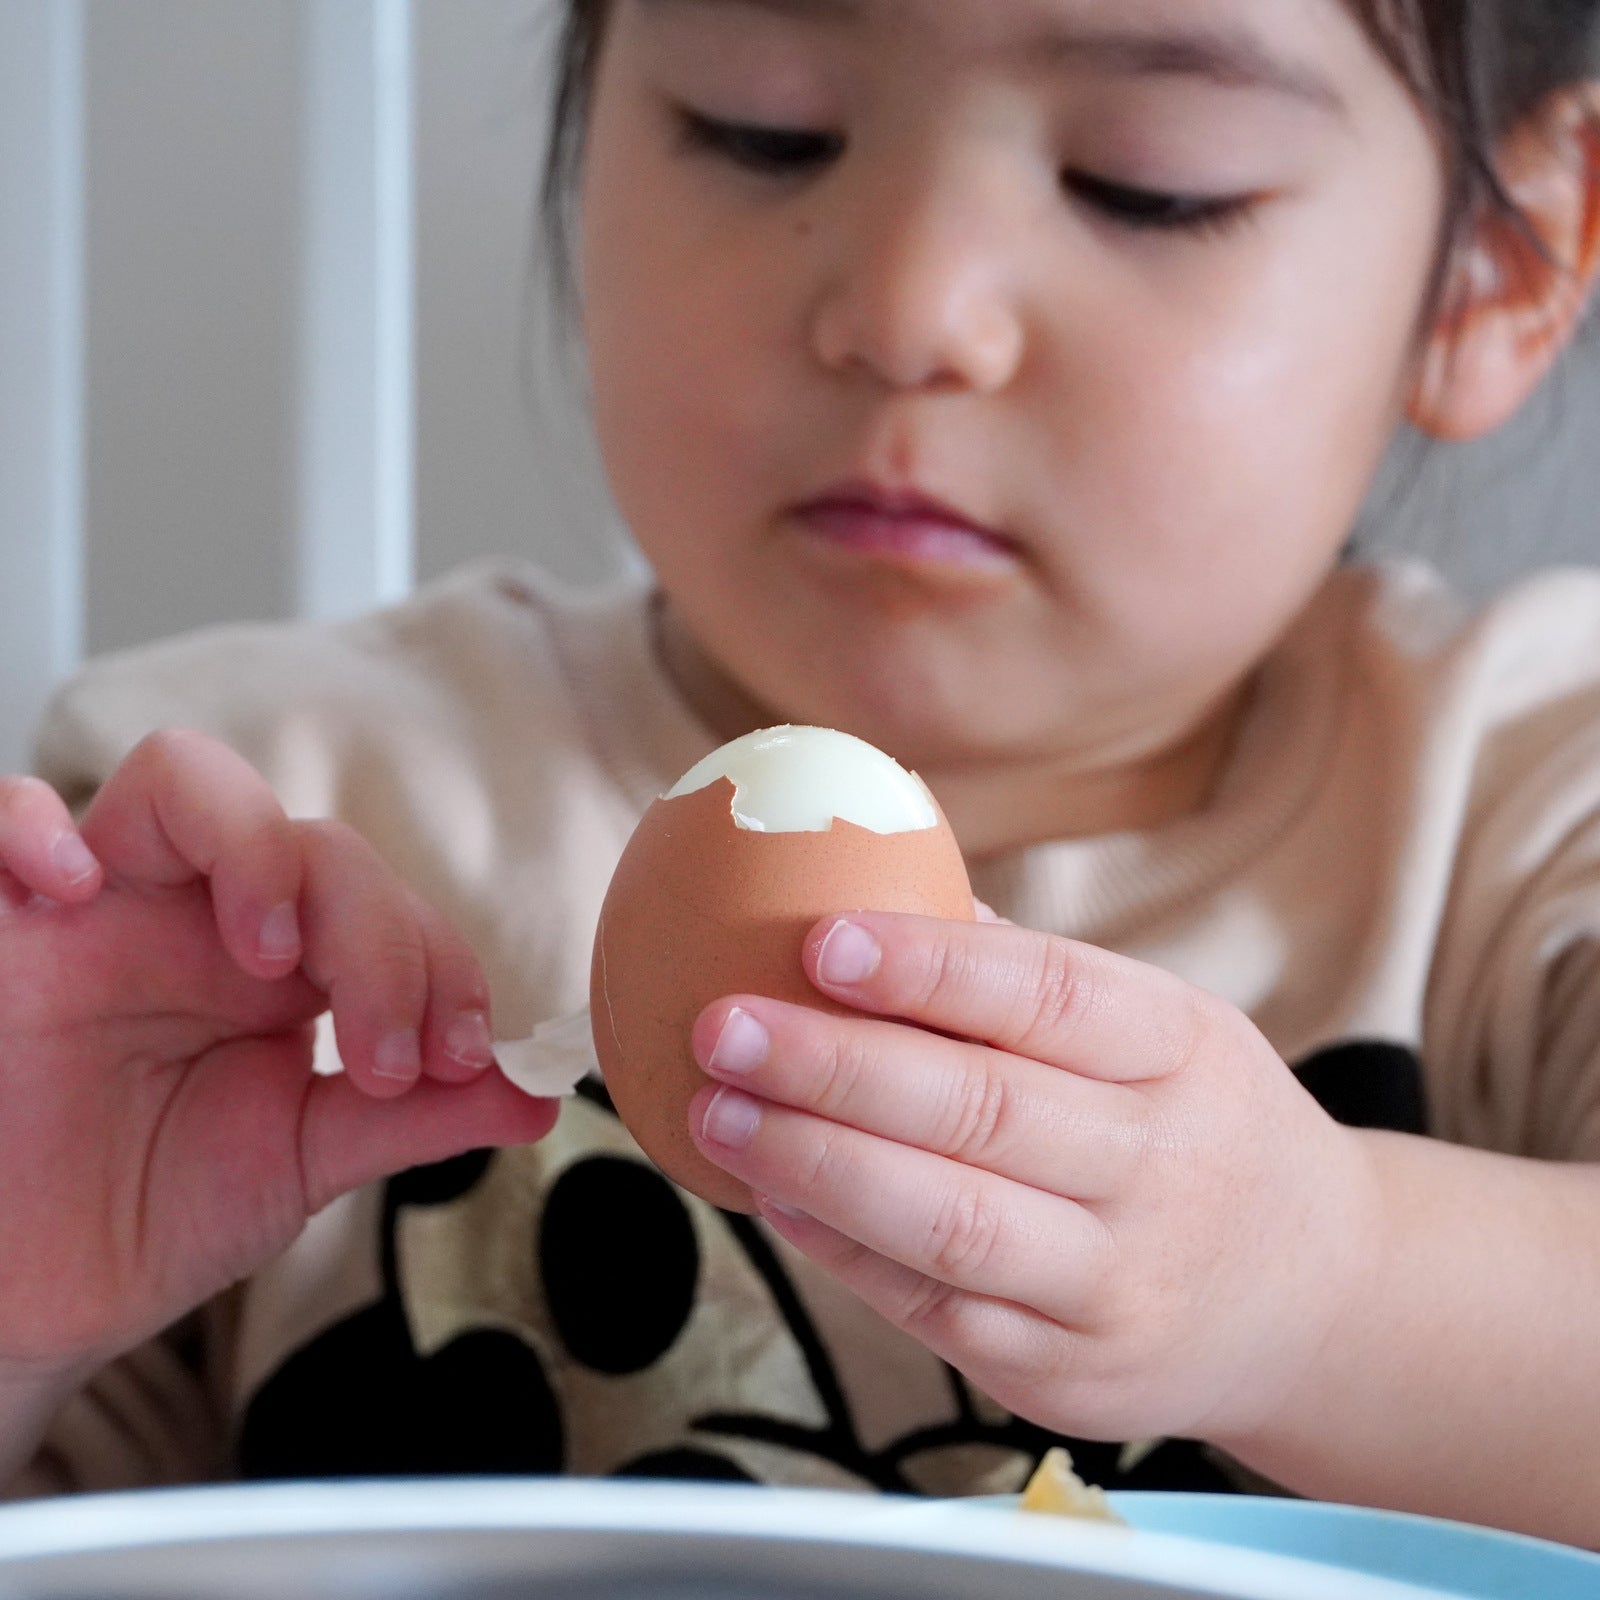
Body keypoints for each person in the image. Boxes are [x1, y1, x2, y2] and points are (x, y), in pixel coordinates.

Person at [3, 0, 1600, 1546]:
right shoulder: (261, 840)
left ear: (1498, 271)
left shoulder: (1530, 803)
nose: (909, 308)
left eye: (1148, 180)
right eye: (763, 128)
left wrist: (1326, 1287)